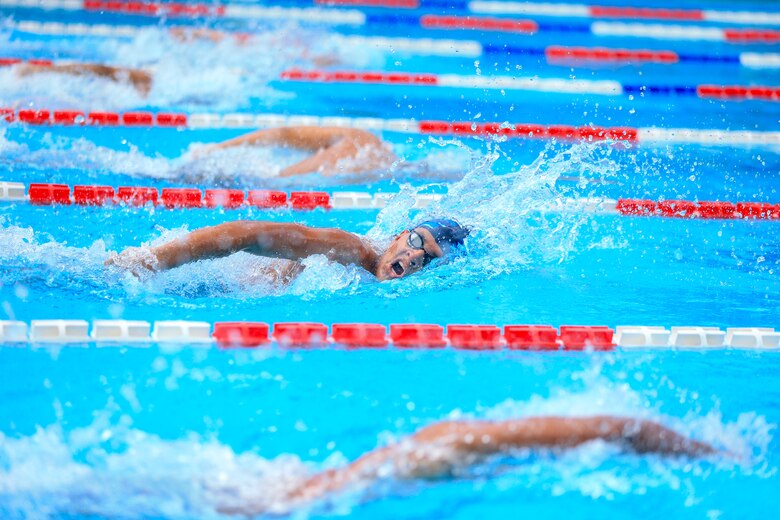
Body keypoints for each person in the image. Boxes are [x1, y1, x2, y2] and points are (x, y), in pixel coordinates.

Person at [220, 415, 716, 515]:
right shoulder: (459, 444)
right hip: (436, 457)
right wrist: (709, 455)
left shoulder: (462, 442)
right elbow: (622, 429)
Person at [106, 218, 470, 282]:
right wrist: (150, 262)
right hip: (227, 286)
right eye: (416, 242)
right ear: (397, 236)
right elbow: (246, 233)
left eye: (427, 258)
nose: (413, 256)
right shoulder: (350, 251)